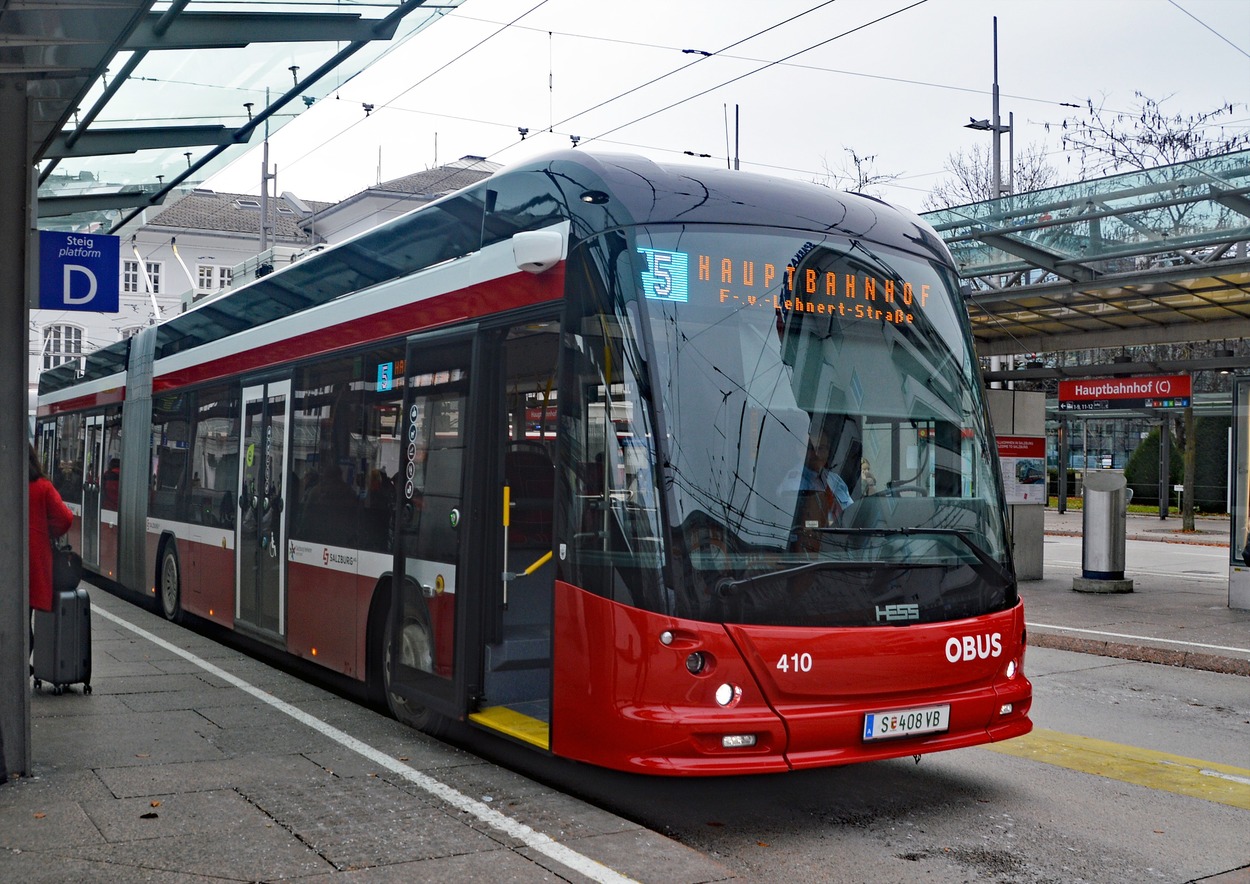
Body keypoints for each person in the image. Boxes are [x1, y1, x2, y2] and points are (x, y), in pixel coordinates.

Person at [28, 443, 74, 671]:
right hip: (33, 563)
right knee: (24, 618)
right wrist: (46, 531)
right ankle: (21, 666)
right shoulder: (43, 487)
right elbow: (65, 518)